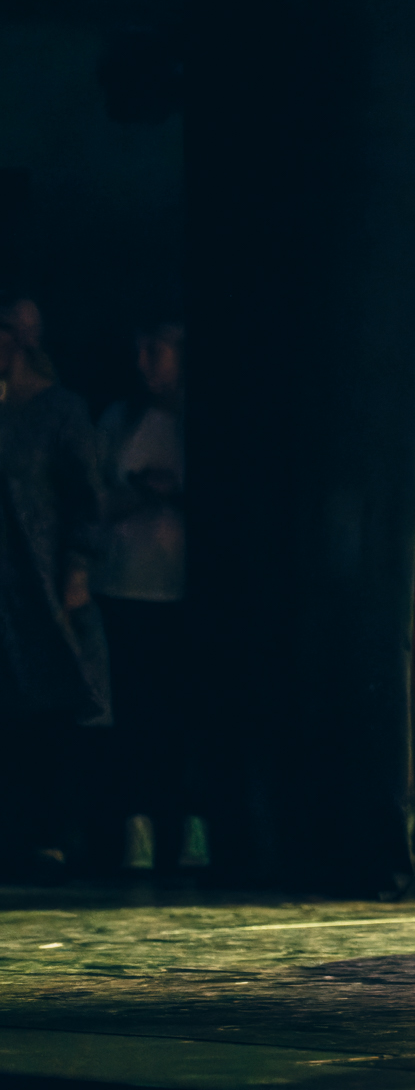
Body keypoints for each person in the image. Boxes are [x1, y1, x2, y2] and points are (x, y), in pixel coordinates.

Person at [0, 299, 109, 876]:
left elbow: (86, 496)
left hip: (38, 580)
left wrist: (77, 570)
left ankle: (50, 835)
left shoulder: (60, 410)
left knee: (47, 702)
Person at [94, 321, 202, 872]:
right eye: (138, 350)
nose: (143, 362)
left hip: (182, 591)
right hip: (125, 587)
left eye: (155, 350)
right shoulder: (120, 421)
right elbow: (92, 500)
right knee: (132, 711)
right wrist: (141, 492)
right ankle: (136, 828)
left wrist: (175, 494)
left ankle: (188, 826)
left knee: (183, 710)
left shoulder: (197, 422)